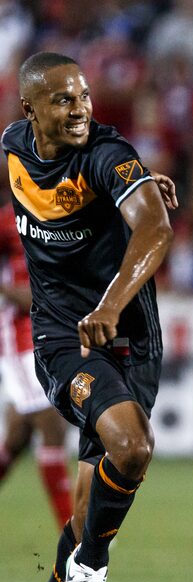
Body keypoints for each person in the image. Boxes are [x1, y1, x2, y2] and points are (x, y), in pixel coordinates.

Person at [4, 52, 176, 582]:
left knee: (86, 510)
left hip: (129, 333)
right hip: (61, 336)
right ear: (31, 111)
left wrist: (111, 303)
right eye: (62, 100)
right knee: (131, 449)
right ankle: (95, 565)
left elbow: (155, 228)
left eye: (84, 98)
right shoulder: (13, 147)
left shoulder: (109, 153)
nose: (79, 109)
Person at [0, 202, 73, 527]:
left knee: (16, 440)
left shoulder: (52, 223)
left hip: (46, 341)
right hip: (20, 342)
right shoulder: (9, 224)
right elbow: (35, 298)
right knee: (51, 424)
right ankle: (71, 530)